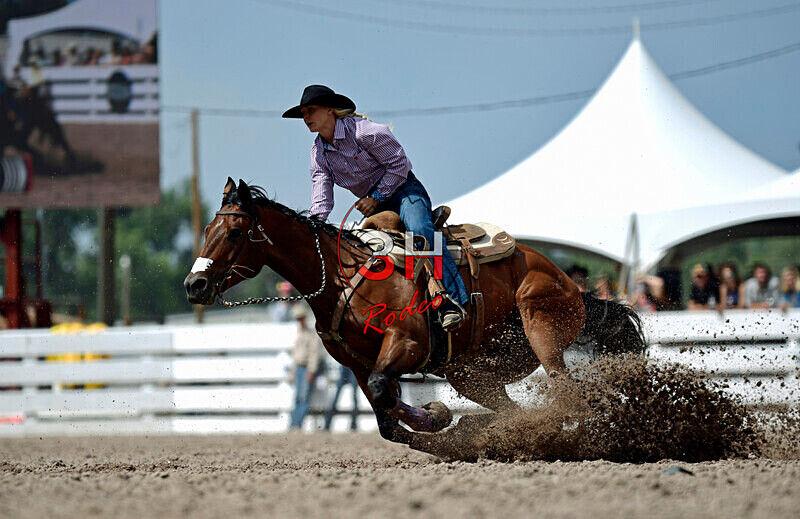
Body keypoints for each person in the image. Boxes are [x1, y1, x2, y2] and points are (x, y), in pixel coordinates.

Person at [283, 85, 469, 331]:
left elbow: (400, 164)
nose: (306, 117)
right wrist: (310, 229)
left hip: (404, 191)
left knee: (420, 229)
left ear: (330, 110)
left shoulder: (366, 133)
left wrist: (377, 197)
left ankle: (452, 300)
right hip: (375, 206)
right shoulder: (319, 153)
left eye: (311, 110)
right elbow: (322, 200)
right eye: (303, 112)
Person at [289, 305, 323, 430]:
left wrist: (311, 370)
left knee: (302, 398)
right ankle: (294, 424)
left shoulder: (310, 334)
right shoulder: (300, 333)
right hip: (299, 367)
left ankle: (296, 424)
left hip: (305, 367)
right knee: (298, 397)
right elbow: (295, 355)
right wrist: (293, 372)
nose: (299, 321)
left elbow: (314, 353)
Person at [323, 365, 359, 431]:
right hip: (347, 366)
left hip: (350, 366)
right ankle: (353, 424)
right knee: (352, 396)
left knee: (340, 396)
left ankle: (327, 423)